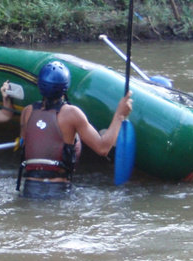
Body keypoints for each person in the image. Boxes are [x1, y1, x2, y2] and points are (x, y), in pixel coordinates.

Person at [18, 60, 133, 199]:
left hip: (29, 190)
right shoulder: (72, 114)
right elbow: (103, 149)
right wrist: (119, 115)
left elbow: (25, 143)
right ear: (65, 87)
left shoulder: (27, 112)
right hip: (58, 191)